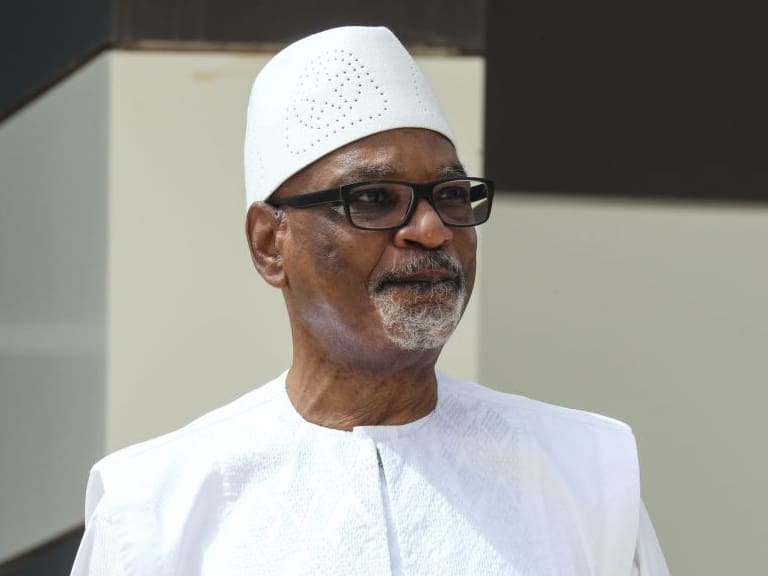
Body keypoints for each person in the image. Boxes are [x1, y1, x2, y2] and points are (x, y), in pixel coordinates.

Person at [70, 26, 669, 575]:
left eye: (453, 195)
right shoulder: (156, 508)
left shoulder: (585, 472)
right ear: (269, 244)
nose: (432, 230)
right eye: (376, 199)